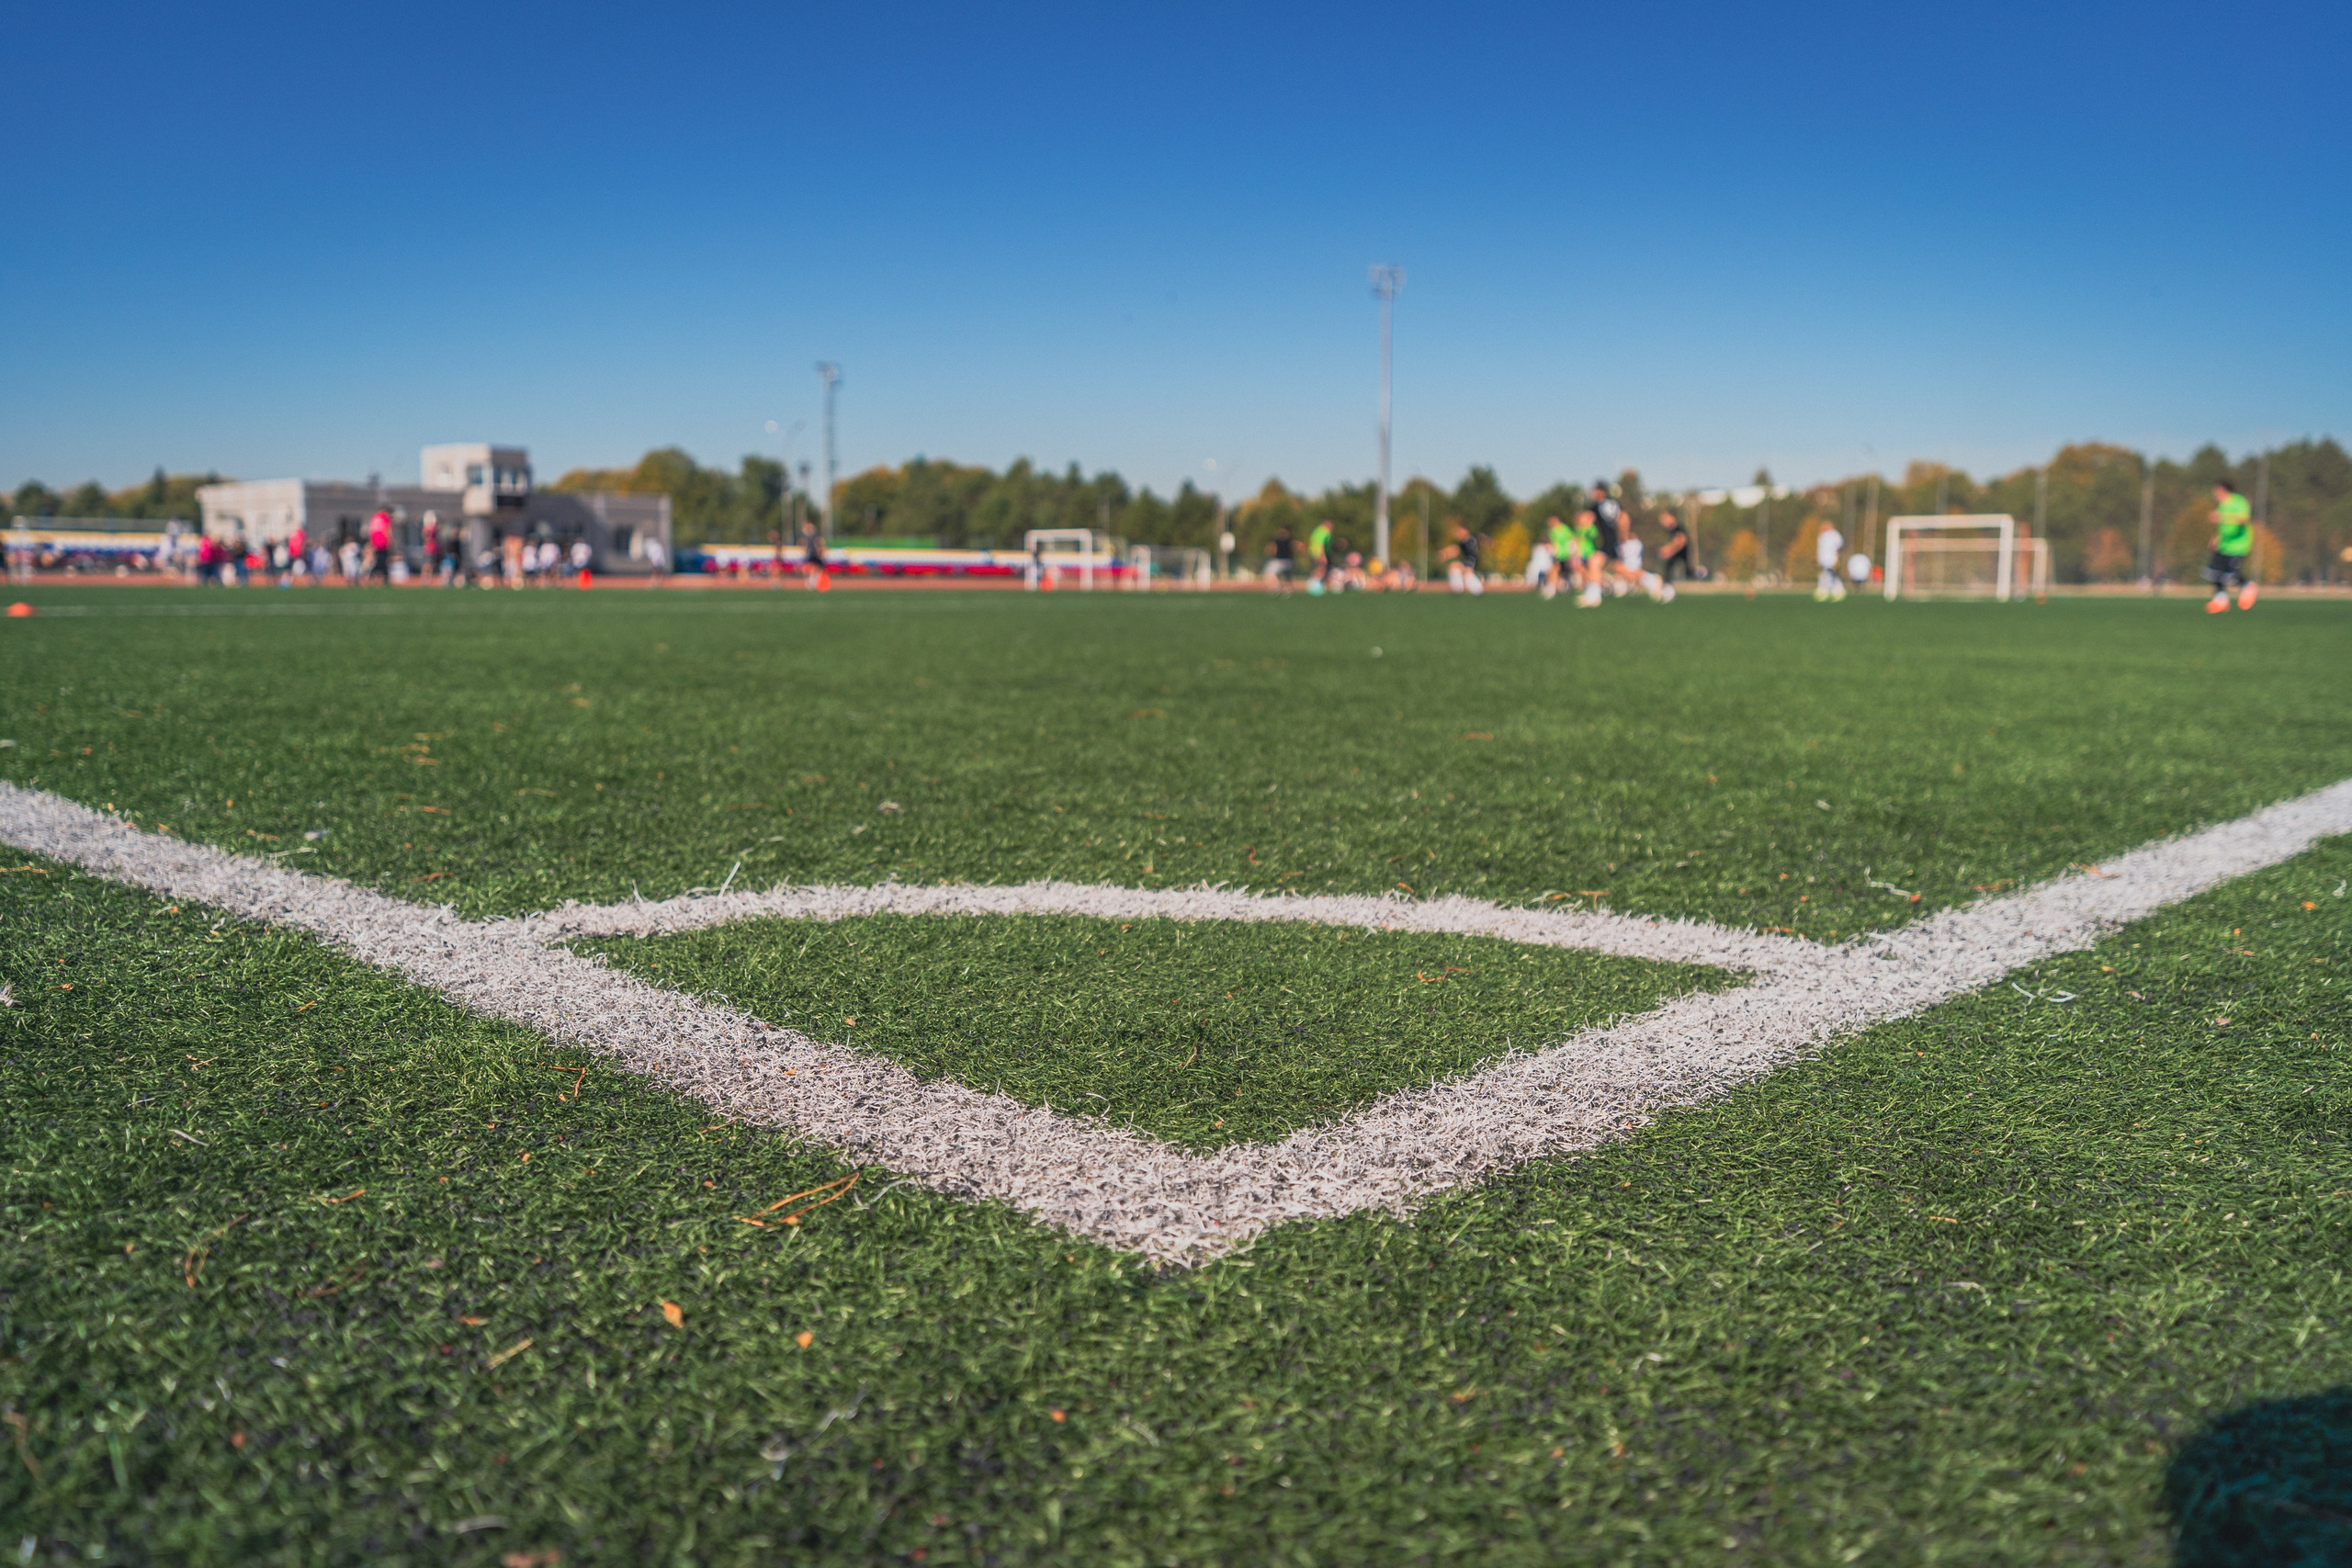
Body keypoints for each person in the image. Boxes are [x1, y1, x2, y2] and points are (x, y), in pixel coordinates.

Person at [2205, 479, 2256, 612]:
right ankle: (2221, 600)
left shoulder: (2238, 501)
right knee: (2214, 573)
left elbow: (2244, 519)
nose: (2214, 493)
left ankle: (2247, 586)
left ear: (2223, 489)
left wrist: (2222, 517)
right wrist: (2215, 539)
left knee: (2231, 576)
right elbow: (2223, 528)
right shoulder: (2222, 505)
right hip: (2224, 546)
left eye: (2216, 490)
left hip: (2238, 546)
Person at [1440, 522, 1484, 594]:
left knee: (1457, 568)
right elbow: (1455, 549)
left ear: (1465, 531)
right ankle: (1459, 588)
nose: (1458, 535)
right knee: (1458, 570)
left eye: (1459, 532)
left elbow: (1456, 550)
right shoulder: (1465, 542)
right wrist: (1445, 553)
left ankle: (1459, 588)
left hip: (1471, 561)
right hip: (1469, 561)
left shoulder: (1470, 540)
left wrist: (1444, 554)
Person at [1656, 511, 1698, 584]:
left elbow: (1681, 541)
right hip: (1680, 551)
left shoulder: (1677, 528)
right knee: (1671, 566)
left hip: (1683, 551)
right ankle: (1667, 582)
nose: (1664, 522)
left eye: (1665, 519)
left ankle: (1667, 582)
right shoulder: (1670, 530)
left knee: (1686, 569)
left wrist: (1669, 550)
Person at [1814, 519, 1847, 601]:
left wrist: (1837, 558)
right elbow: (1820, 548)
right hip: (1823, 559)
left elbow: (1839, 547)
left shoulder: (1835, 535)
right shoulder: (1822, 536)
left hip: (1831, 558)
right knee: (1825, 574)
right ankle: (1825, 590)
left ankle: (1838, 590)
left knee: (1831, 574)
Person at [1264, 525, 1296, 593]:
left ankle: (1276, 585)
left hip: (1279, 561)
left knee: (1270, 572)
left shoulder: (1278, 541)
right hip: (1288, 561)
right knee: (1287, 576)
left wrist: (1270, 552)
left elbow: (1273, 549)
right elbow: (1297, 547)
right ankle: (1288, 588)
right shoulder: (1290, 541)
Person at [1307, 518, 1335, 592]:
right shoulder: (1324, 532)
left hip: (1314, 552)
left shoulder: (1317, 530)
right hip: (1319, 553)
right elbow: (1321, 544)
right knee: (1321, 568)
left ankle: (1318, 584)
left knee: (1321, 568)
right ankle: (1315, 585)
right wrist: (1322, 556)